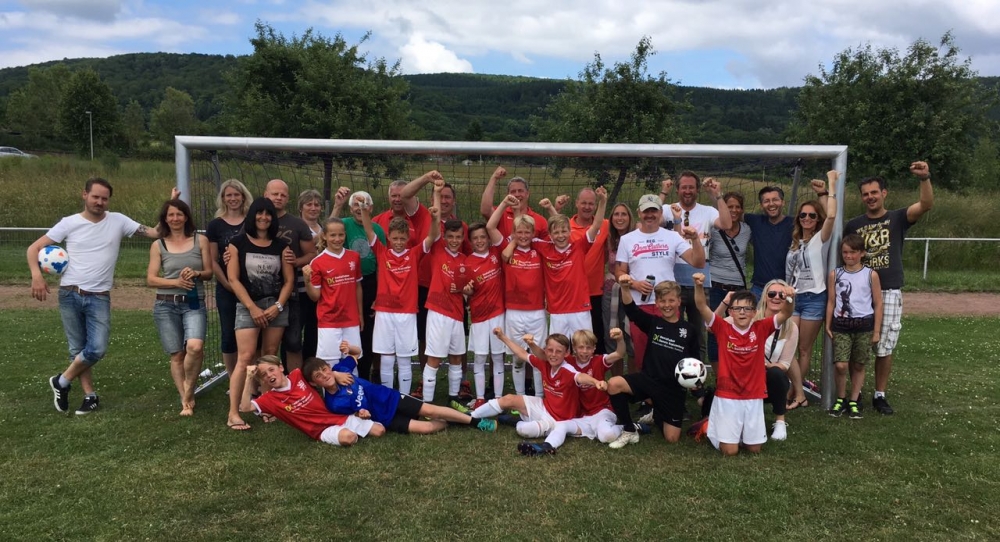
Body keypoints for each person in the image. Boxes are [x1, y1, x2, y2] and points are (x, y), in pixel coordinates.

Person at [31, 178, 171, 415]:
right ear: (84, 195)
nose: (100, 202)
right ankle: (90, 396)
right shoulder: (69, 223)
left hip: (99, 297)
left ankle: (61, 381)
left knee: (96, 349)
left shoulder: (119, 221)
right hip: (69, 293)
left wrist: (170, 204)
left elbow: (155, 232)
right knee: (78, 349)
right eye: (95, 196)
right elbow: (33, 248)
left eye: (104, 198)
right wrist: (36, 276)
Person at [843, 161, 934, 415]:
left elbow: (926, 204)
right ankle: (855, 394)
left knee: (884, 346)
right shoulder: (853, 225)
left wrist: (924, 178)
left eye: (874, 192)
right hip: (859, 292)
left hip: (889, 290)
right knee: (857, 345)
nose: (870, 197)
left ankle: (879, 395)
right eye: (865, 194)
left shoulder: (897, 218)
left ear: (884, 193)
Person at [692, 273, 794, 456]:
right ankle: (710, 426)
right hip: (728, 396)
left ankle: (736, 432)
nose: (742, 312)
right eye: (737, 308)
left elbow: (786, 313)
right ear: (730, 312)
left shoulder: (761, 328)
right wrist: (698, 286)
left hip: (753, 395)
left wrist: (789, 297)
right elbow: (701, 305)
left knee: (754, 449)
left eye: (747, 309)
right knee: (730, 451)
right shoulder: (722, 328)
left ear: (754, 312)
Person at [303, 343, 498, 435]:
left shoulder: (341, 370)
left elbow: (357, 353)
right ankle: (456, 419)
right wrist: (360, 414)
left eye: (324, 370)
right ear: (314, 383)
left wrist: (348, 348)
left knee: (430, 410)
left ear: (329, 367)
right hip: (384, 418)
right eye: (318, 376)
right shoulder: (332, 404)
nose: (324, 375)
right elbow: (350, 418)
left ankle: (475, 422)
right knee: (426, 427)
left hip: (389, 398)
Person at [470, 329, 608, 456]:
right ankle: (471, 417)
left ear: (566, 354)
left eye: (558, 351)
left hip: (557, 420)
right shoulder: (544, 363)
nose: (553, 355)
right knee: (509, 399)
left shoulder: (567, 370)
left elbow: (580, 377)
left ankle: (519, 422)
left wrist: (596, 382)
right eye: (550, 350)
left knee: (523, 430)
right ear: (545, 350)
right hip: (544, 406)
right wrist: (502, 337)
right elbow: (522, 353)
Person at [604, 277, 700, 448]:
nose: (667, 305)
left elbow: (695, 360)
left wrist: (696, 383)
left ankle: (657, 413)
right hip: (648, 380)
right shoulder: (653, 323)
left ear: (679, 301)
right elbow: (632, 310)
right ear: (656, 303)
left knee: (672, 438)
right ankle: (629, 429)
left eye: (671, 300)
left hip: (672, 389)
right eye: (662, 301)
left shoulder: (689, 330)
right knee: (613, 384)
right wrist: (625, 288)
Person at [225, 196, 294, 431]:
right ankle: (234, 413)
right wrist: (252, 308)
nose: (263, 218)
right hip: (248, 306)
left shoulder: (281, 246)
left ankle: (266, 406)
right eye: (259, 213)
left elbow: (288, 281)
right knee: (245, 358)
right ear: (252, 215)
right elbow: (233, 279)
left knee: (269, 356)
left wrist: (278, 306)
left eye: (268, 214)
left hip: (276, 307)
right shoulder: (237, 243)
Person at [614, 194, 704, 373]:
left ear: (661, 212)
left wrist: (695, 239)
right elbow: (619, 272)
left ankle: (670, 385)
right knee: (642, 352)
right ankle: (646, 388)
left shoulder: (672, 236)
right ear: (639, 213)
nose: (650, 215)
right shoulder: (627, 239)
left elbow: (698, 262)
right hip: (640, 305)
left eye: (654, 211)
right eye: (646, 211)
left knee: (671, 350)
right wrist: (635, 284)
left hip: (667, 303)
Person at [146, 198, 212, 417]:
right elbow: (151, 279)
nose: (175, 218)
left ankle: (189, 389)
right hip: (165, 304)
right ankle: (186, 400)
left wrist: (197, 273)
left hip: (193, 303)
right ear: (165, 219)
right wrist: (176, 282)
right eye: (171, 215)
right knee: (177, 354)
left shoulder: (200, 240)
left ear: (186, 217)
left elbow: (209, 273)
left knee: (195, 346)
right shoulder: (158, 245)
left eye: (179, 214)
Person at [660, 173, 732, 361]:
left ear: (697, 189)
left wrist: (717, 195)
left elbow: (727, 224)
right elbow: (650, 219)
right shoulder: (668, 209)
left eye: (691, 187)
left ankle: (696, 372)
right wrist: (663, 193)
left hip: (699, 282)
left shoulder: (707, 211)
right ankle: (672, 369)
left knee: (698, 333)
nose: (687, 191)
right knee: (671, 331)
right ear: (677, 189)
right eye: (684, 187)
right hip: (672, 282)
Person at [521, 187, 608, 338]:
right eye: (556, 233)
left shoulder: (579, 246)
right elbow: (522, 234)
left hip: (580, 309)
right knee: (558, 348)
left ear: (570, 232)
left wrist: (603, 201)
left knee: (584, 346)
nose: (560, 235)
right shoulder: (544, 247)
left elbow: (597, 224)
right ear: (550, 235)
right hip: (557, 311)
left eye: (564, 232)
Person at [785, 171, 838, 410]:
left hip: (815, 298)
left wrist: (830, 187)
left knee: (804, 349)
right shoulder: (795, 242)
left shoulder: (821, 239)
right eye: (803, 215)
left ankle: (795, 394)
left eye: (812, 215)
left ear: (817, 219)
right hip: (793, 298)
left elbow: (832, 215)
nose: (807, 218)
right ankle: (795, 391)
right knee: (788, 346)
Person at [356, 196, 419, 393]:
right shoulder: (382, 252)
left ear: (407, 238)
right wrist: (364, 209)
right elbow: (369, 230)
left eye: (402, 238)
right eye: (395, 238)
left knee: (404, 358)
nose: (399, 242)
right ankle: (387, 397)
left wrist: (434, 218)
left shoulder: (414, 254)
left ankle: (404, 398)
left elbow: (432, 237)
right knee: (386, 358)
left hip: (407, 312)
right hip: (384, 312)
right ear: (389, 237)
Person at [250, 355, 383, 446]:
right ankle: (350, 429)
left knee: (379, 430)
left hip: (335, 417)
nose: (270, 375)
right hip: (320, 430)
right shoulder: (269, 398)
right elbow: (245, 407)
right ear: (263, 380)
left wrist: (335, 374)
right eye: (264, 375)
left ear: (281, 367)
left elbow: (316, 373)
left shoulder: (297, 374)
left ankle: (355, 422)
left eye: (271, 370)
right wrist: (247, 379)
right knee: (349, 437)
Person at [420, 180, 468, 407]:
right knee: (435, 358)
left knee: (456, 356)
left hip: (457, 313)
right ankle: (427, 404)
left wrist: (467, 289)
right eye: (451, 237)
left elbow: (469, 287)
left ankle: (453, 398)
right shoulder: (437, 248)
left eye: (458, 237)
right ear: (445, 236)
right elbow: (436, 221)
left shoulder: (465, 260)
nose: (454, 241)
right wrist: (437, 194)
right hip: (438, 312)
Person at [487, 207, 545, 397]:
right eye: (519, 232)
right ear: (513, 233)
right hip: (514, 312)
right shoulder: (507, 248)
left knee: (538, 358)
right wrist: (505, 203)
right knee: (517, 359)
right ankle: (520, 398)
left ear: (533, 233)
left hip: (537, 312)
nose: (523, 236)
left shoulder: (539, 249)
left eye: (527, 232)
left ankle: (539, 398)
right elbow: (490, 226)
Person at [331, 187, 386, 382]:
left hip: (370, 283)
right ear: (350, 207)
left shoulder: (377, 229)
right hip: (345, 283)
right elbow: (329, 229)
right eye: (356, 204)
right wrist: (337, 205)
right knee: (348, 328)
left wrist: (380, 295)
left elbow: (382, 265)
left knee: (368, 331)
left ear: (371, 208)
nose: (359, 207)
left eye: (363, 204)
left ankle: (366, 374)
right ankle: (341, 371)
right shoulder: (344, 224)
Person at [826, 234, 883, 419]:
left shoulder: (870, 275)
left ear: (862, 253)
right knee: (841, 365)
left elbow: (878, 303)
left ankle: (854, 399)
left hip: (863, 325)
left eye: (853, 252)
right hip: (842, 325)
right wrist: (828, 323)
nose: (849, 256)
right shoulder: (836, 274)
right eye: (845, 252)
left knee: (858, 364)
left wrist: (876, 330)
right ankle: (841, 398)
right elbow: (831, 300)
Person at [546, 188, 610, 354]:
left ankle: (592, 370)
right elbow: (557, 229)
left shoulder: (604, 225)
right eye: (584, 203)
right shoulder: (568, 230)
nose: (587, 207)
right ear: (576, 203)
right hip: (565, 298)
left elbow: (601, 227)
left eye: (591, 203)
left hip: (592, 293)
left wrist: (603, 201)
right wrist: (553, 208)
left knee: (590, 343)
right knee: (561, 345)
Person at [264, 179, 317, 374]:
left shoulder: (297, 224)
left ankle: (295, 384)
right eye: (274, 194)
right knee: (264, 344)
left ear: (288, 199)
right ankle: (264, 384)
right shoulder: (256, 221)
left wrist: (296, 261)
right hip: (259, 292)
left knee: (293, 342)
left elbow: (311, 254)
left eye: (283, 195)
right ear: (265, 195)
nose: (278, 198)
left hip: (290, 292)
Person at [739, 279, 799, 440]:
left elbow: (785, 364)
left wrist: (763, 365)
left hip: (768, 377)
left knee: (777, 373)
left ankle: (780, 421)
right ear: (765, 296)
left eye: (782, 295)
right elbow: (718, 325)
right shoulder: (750, 318)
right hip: (747, 374)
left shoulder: (791, 328)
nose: (776, 297)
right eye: (772, 294)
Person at [206, 179, 253, 381]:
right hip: (226, 288)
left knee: (251, 333)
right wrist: (227, 283)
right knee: (228, 333)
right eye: (229, 195)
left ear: (243, 197)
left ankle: (251, 377)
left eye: (236, 194)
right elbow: (212, 259)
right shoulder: (215, 225)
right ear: (223, 198)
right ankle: (234, 379)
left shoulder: (252, 221)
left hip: (251, 286)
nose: (233, 198)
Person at [302, 216, 363, 368]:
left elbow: (357, 287)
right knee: (329, 365)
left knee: (352, 361)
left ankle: (353, 385)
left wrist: (360, 314)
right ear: (324, 236)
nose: (337, 239)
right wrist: (307, 281)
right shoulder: (317, 262)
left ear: (345, 234)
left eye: (341, 234)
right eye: (333, 235)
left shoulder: (354, 257)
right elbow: (315, 296)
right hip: (329, 321)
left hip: (351, 319)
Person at [463, 222, 506, 409]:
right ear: (470, 242)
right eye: (475, 238)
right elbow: (467, 292)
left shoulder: (497, 253)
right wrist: (467, 292)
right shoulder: (467, 263)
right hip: (479, 317)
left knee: (497, 357)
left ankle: (498, 398)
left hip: (497, 314)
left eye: (482, 237)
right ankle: (480, 398)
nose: (479, 241)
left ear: (489, 238)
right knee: (480, 358)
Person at [589, 202, 636, 375]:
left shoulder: (637, 236)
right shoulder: (608, 239)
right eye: (616, 214)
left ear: (630, 217)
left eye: (624, 214)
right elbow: (597, 258)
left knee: (632, 336)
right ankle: (617, 380)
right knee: (612, 334)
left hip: (634, 290)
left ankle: (632, 382)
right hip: (611, 291)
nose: (620, 218)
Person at [706, 192, 751, 364]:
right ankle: (719, 374)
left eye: (737, 207)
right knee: (714, 329)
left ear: (742, 209)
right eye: (729, 206)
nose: (734, 210)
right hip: (716, 286)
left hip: (738, 287)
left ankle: (736, 366)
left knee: (740, 328)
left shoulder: (747, 230)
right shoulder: (714, 229)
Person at [744, 186, 794, 300]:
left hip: (785, 288)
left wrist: (822, 194)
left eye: (775, 199)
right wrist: (716, 196)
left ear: (783, 202)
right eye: (766, 201)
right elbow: (731, 214)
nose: (771, 204)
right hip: (759, 288)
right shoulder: (755, 221)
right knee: (755, 312)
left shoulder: (794, 224)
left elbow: (822, 221)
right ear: (761, 205)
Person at [479, 166, 548, 240]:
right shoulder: (500, 213)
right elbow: (485, 211)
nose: (517, 195)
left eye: (520, 191)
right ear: (508, 195)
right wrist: (494, 178)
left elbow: (547, 245)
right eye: (513, 191)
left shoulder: (541, 221)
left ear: (527, 194)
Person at [297, 188, 324, 360]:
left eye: (317, 205)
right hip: (299, 287)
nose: (313, 208)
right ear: (301, 207)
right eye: (309, 204)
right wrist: (337, 208)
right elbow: (311, 246)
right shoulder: (297, 227)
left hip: (319, 288)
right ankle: (291, 369)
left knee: (314, 332)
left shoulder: (321, 228)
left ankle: (311, 367)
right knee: (294, 335)